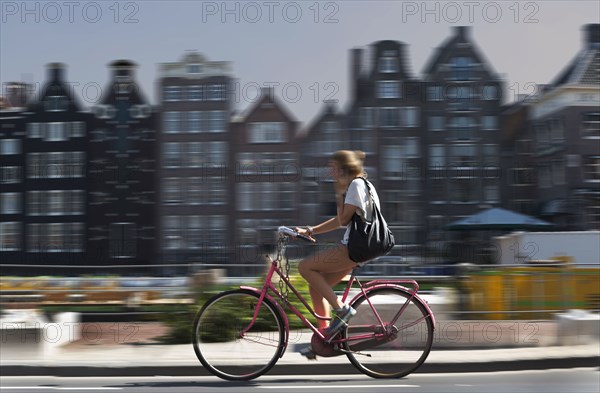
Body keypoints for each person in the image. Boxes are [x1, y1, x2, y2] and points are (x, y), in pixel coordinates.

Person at [295, 150, 381, 359]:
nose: (329, 171)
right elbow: (341, 220)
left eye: (333, 166)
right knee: (316, 287)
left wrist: (338, 192)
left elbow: (342, 220)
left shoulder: (356, 185)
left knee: (305, 267)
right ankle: (327, 337)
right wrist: (312, 230)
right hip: (360, 248)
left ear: (344, 168)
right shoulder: (357, 186)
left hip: (355, 248)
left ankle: (341, 310)